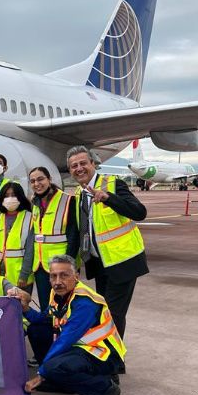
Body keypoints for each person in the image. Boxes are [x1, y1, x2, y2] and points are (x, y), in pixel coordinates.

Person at [24, 255, 125, 395]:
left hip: (101, 355)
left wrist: (41, 374)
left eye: (64, 275)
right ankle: (59, 382)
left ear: (76, 276)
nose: (57, 281)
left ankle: (105, 389)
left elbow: (66, 339)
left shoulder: (85, 302)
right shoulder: (58, 293)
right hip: (78, 348)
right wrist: (25, 308)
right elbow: (46, 320)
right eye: (53, 276)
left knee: (53, 367)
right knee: (37, 329)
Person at [67, 146, 148, 341]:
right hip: (100, 264)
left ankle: (114, 361)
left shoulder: (113, 184)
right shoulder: (79, 194)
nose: (79, 168)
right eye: (74, 166)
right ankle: (109, 354)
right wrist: (72, 264)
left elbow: (139, 212)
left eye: (83, 163)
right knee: (105, 311)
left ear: (93, 164)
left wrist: (108, 198)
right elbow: (80, 232)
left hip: (123, 261)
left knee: (113, 313)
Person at [27, 166, 79, 314]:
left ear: (49, 179)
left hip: (62, 265)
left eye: (40, 179)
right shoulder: (35, 203)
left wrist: (68, 264)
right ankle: (49, 335)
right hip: (41, 265)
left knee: (65, 304)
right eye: (33, 181)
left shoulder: (67, 200)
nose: (37, 183)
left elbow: (74, 235)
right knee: (46, 305)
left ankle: (64, 336)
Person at [0, 182, 34, 293]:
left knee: (20, 307)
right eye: (6, 195)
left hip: (20, 275)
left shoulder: (30, 218)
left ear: (20, 197)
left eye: (13, 195)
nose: (10, 198)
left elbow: (30, 250)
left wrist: (24, 275)